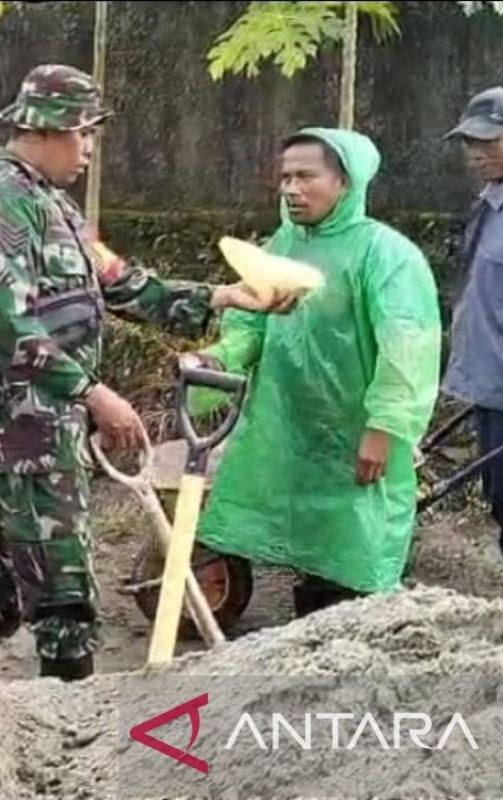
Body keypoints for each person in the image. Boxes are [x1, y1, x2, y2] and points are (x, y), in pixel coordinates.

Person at [0, 64, 296, 681]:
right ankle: (67, 736)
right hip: (16, 433)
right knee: (63, 596)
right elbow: (1, 327)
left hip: (42, 427)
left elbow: (122, 283)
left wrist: (224, 296)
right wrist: (91, 392)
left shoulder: (54, 206)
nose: (88, 149)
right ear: (51, 129)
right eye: (83, 135)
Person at [191, 128, 442, 617]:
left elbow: (406, 347)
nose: (290, 188)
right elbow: (250, 324)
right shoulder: (282, 245)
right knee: (308, 547)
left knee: (356, 550)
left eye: (306, 176)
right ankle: (310, 631)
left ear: (345, 182)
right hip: (291, 430)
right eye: (285, 176)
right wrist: (216, 360)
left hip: (355, 432)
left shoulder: (385, 255)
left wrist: (384, 427)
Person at [441, 87, 503, 550]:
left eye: (488, 140)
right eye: (469, 142)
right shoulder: (490, 202)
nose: (475, 153)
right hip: (491, 386)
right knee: (499, 502)